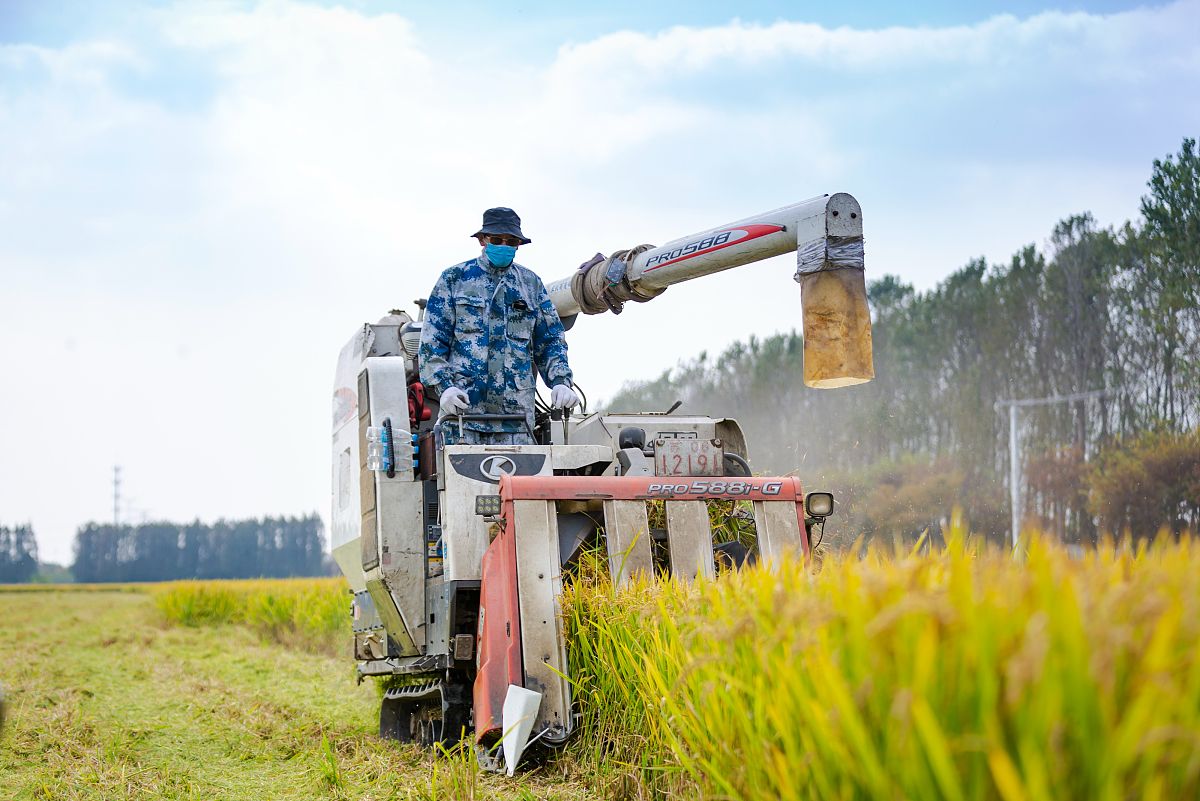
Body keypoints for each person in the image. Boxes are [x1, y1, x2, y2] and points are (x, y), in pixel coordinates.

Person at [419, 207, 579, 445]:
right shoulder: (454, 280)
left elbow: (551, 341)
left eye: (510, 241)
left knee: (520, 482)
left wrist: (560, 382)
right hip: (462, 419)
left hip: (516, 422)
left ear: (518, 244)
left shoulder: (530, 285)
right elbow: (432, 342)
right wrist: (445, 388)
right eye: (497, 239)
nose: (504, 245)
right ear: (483, 240)